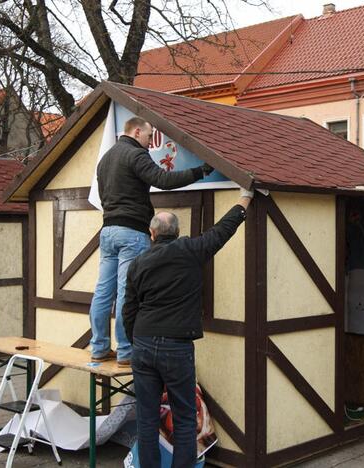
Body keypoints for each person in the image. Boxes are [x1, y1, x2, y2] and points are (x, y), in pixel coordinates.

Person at [123, 189, 254, 468]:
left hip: (144, 343)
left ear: (152, 234)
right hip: (176, 346)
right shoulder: (191, 250)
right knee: (184, 419)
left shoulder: (138, 263)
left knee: (146, 419)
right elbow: (223, 230)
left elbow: (128, 309)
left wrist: (136, 340)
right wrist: (245, 199)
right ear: (178, 232)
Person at [89, 117, 212, 364]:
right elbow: (162, 180)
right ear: (136, 132)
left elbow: (103, 195)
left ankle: (99, 347)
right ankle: (125, 351)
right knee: (126, 292)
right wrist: (200, 171)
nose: (149, 142)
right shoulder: (135, 155)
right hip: (131, 231)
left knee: (103, 291)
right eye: (148, 136)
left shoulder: (105, 160)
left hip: (108, 230)